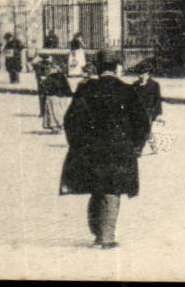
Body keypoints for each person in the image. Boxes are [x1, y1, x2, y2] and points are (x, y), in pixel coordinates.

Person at [59, 49, 151, 249]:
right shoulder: (128, 91)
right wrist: (136, 146)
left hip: (91, 150)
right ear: (117, 68)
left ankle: (98, 232)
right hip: (119, 150)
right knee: (112, 190)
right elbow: (143, 123)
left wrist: (77, 145)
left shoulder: (86, 89)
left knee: (97, 188)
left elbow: (71, 120)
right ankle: (106, 236)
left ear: (98, 68)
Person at [42, 63, 73, 132]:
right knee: (61, 111)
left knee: (52, 112)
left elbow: (46, 87)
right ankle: (61, 125)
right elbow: (67, 87)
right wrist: (68, 94)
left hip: (52, 96)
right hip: (63, 96)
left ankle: (54, 126)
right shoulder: (63, 77)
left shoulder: (50, 77)